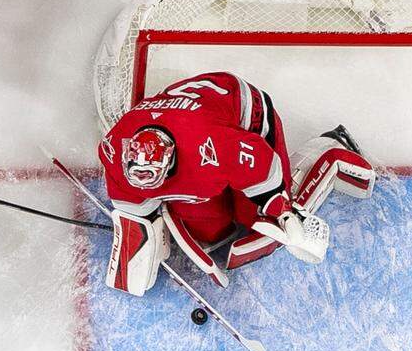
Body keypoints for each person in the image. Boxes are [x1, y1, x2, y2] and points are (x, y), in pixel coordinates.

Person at [98, 72, 376, 296]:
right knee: (210, 231)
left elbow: (265, 167)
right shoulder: (114, 149)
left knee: (255, 218)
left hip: (245, 115)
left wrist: (284, 212)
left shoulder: (212, 147)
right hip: (200, 114)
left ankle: (329, 147)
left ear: (171, 159)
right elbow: (137, 204)